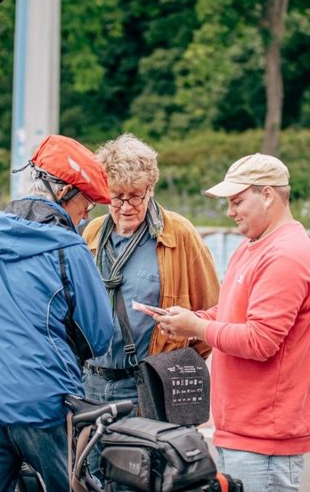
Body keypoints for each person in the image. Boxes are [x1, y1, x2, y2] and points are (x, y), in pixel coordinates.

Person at [0, 135, 115, 492]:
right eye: (86, 202)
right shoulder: (70, 250)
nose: (87, 214)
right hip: (45, 406)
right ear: (63, 192)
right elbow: (99, 336)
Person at [156, 153, 310, 492]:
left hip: (265, 435)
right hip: (246, 429)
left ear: (267, 194)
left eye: (237, 201)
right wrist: (190, 321)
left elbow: (259, 341)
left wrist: (196, 328)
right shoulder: (254, 246)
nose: (230, 212)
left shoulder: (286, 255)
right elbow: (232, 313)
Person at [82, 133, 220, 415]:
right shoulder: (93, 231)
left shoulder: (178, 234)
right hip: (91, 382)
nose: (126, 207)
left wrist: (175, 365)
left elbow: (214, 310)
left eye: (135, 196)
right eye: (116, 197)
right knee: (92, 462)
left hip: (145, 384)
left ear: (151, 189)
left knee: (142, 461)